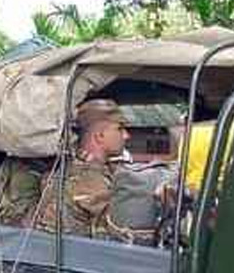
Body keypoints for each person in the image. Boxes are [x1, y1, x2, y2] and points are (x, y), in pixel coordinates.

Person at [39, 99, 161, 242]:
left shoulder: (85, 167)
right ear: (100, 136)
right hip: (80, 258)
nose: (127, 135)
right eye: (120, 128)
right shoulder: (87, 179)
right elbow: (124, 224)